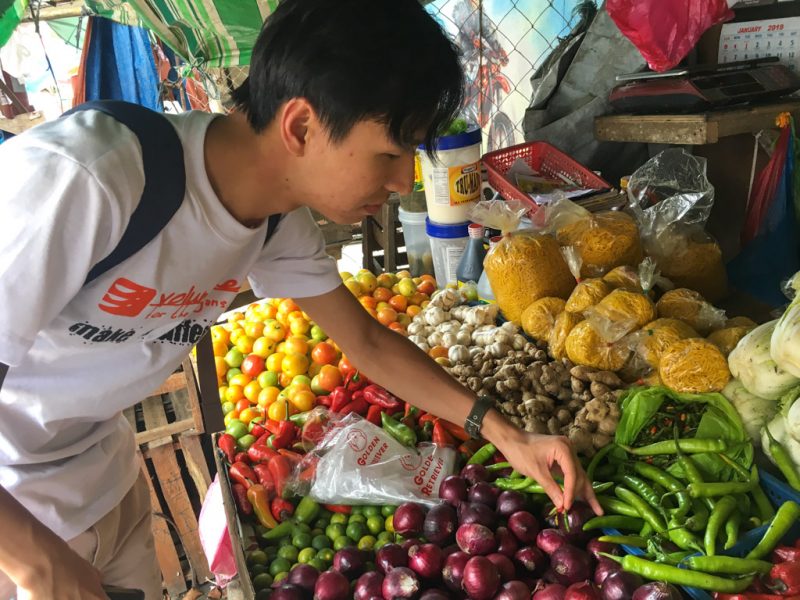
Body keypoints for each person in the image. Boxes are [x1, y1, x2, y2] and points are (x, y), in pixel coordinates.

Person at [0, 0, 599, 597]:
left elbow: (365, 342)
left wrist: (505, 433)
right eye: (390, 155)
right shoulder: (86, 180)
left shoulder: (273, 222)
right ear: (301, 127)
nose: (401, 184)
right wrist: (36, 565)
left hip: (103, 487)